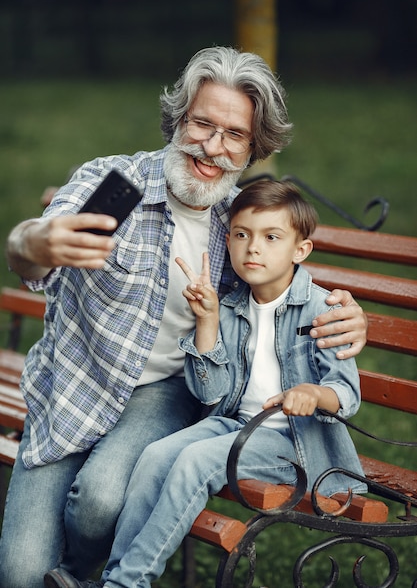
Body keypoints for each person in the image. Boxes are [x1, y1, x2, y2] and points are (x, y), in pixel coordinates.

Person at [0, 46, 367, 588]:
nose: (212, 147)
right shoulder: (115, 185)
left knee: (100, 500)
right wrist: (35, 239)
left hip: (171, 389)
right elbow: (29, 252)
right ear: (178, 119)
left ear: (252, 148)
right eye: (201, 123)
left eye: (234, 135)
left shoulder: (236, 220)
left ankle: (75, 575)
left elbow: (287, 284)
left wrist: (348, 314)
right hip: (79, 385)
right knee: (20, 574)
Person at [44, 179, 366, 588]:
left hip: (296, 441)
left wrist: (313, 393)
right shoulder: (231, 306)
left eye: (271, 237)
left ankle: (127, 583)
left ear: (300, 250)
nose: (253, 248)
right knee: (156, 456)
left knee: (195, 462)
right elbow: (211, 393)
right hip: (237, 425)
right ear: (228, 241)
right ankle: (114, 578)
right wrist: (209, 322)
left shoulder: (323, 309)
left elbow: (347, 394)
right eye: (242, 235)